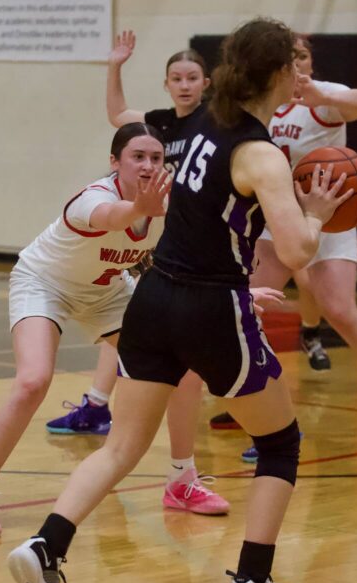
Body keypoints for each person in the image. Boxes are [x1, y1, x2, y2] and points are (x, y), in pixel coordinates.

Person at [7, 17, 353, 583]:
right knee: (280, 443)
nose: (301, 75)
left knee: (121, 447)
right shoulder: (260, 152)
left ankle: (46, 545)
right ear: (276, 74)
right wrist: (318, 211)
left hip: (154, 297)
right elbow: (297, 251)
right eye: (294, 67)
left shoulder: (193, 126)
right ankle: (253, 582)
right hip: (211, 304)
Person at [0, 122, 202, 539]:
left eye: (156, 158)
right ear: (114, 163)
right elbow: (116, 217)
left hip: (106, 290)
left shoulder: (170, 206)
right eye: (137, 157)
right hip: (44, 283)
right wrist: (143, 208)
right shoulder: (94, 199)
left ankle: (181, 481)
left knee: (184, 370)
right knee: (33, 380)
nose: (148, 165)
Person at [45, 32, 242, 515]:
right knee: (150, 339)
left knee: (175, 355)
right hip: (146, 237)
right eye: (175, 78)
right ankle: (123, 427)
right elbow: (118, 116)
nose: (183, 84)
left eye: (192, 77)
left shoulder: (215, 125)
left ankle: (176, 462)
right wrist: (114, 65)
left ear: (207, 83)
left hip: (181, 239)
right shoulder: (157, 127)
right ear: (168, 84)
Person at [210, 35, 357, 455]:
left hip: (330, 216)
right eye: (289, 60)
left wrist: (318, 93)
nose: (298, 66)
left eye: (303, 57)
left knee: (340, 310)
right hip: (277, 217)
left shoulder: (324, 99)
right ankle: (253, 399)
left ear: (310, 62)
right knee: (248, 308)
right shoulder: (264, 106)